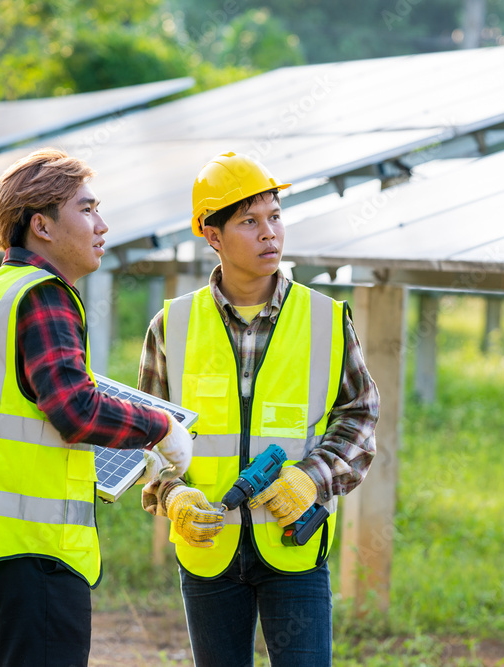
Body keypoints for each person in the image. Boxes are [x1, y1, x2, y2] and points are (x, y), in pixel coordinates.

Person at [0, 148, 192, 666]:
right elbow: (75, 410)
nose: (102, 224)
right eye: (87, 209)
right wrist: (160, 427)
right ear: (42, 226)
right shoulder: (44, 294)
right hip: (34, 550)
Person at [138, 151, 380, 667]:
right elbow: (148, 433)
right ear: (213, 236)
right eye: (249, 221)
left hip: (292, 544)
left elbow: (360, 413)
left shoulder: (326, 318)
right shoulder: (172, 326)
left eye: (275, 216)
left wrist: (312, 478)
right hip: (208, 548)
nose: (269, 232)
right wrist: (172, 493)